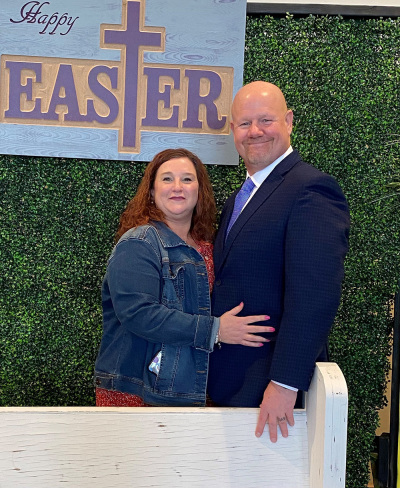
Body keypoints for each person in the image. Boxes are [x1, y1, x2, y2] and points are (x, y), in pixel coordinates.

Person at [207, 81, 350, 441]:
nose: (254, 132)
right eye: (244, 123)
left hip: (269, 393)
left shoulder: (311, 189)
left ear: (288, 121)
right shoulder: (238, 199)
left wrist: (285, 383)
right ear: (232, 130)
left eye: (265, 120)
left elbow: (314, 296)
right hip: (231, 386)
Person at [94, 148, 273, 407]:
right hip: (139, 391)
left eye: (187, 179)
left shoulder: (208, 248)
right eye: (167, 179)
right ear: (152, 192)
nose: (177, 186)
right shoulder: (138, 242)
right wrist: (216, 330)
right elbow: (138, 314)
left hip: (190, 389)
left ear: (199, 192)